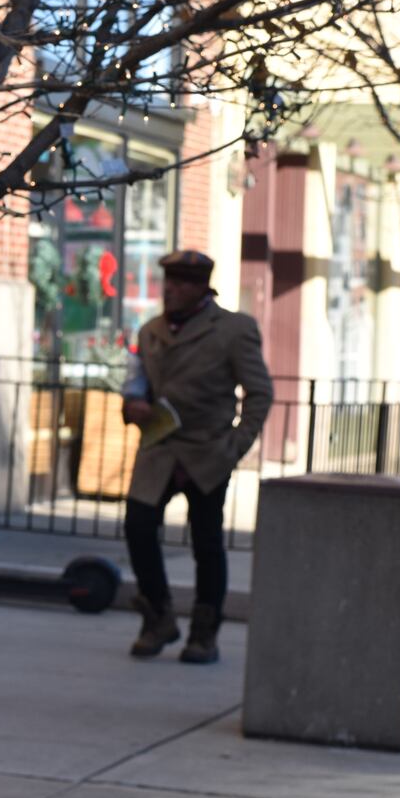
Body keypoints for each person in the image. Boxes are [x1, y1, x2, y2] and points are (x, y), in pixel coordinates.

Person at [121, 249, 273, 663]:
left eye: (181, 282)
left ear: (202, 287)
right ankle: (158, 618)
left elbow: (260, 392)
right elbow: (138, 383)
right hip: (159, 448)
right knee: (137, 526)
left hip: (208, 452)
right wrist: (132, 405)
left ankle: (204, 634)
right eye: (168, 281)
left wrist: (234, 447)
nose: (171, 289)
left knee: (206, 543)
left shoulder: (233, 329)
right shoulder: (151, 330)